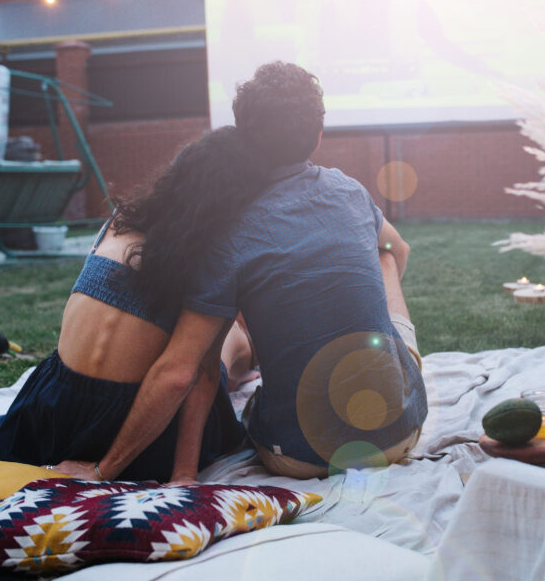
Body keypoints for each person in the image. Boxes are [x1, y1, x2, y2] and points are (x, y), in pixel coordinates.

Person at [0, 126, 266, 483]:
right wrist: (158, 472)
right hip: (130, 429)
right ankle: (249, 357)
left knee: (187, 338)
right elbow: (185, 376)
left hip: (49, 411)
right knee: (225, 347)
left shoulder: (122, 219)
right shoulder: (214, 258)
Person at [183, 61, 427, 478]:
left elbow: (199, 366)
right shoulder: (350, 191)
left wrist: (182, 475)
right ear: (318, 134)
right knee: (383, 253)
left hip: (299, 459)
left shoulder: (231, 225)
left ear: (244, 136)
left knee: (231, 336)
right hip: (399, 436)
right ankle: (398, 361)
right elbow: (397, 249)